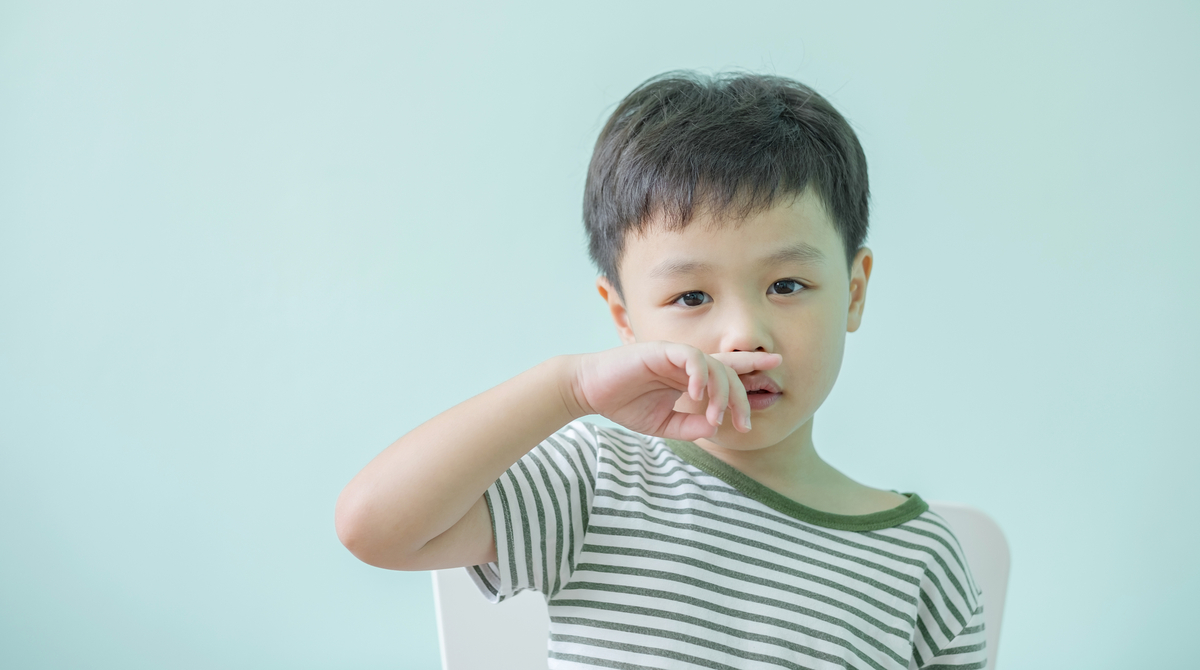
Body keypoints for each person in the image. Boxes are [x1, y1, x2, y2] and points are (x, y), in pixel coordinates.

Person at [335, 71, 987, 669]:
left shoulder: (919, 563)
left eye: (787, 285)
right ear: (624, 320)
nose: (743, 335)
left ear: (853, 291)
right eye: (692, 298)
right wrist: (571, 388)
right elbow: (373, 526)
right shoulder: (595, 482)